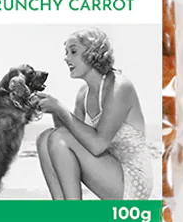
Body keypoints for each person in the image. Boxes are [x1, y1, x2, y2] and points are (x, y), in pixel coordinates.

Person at [35, 28, 152, 200]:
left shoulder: (120, 86)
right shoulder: (83, 94)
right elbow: (64, 143)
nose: (66, 58)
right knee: (44, 138)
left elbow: (97, 145)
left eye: (73, 51)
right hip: (107, 170)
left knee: (58, 136)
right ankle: (62, 211)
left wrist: (59, 108)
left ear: (93, 53)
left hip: (132, 179)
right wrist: (52, 110)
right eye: (66, 52)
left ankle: (75, 212)